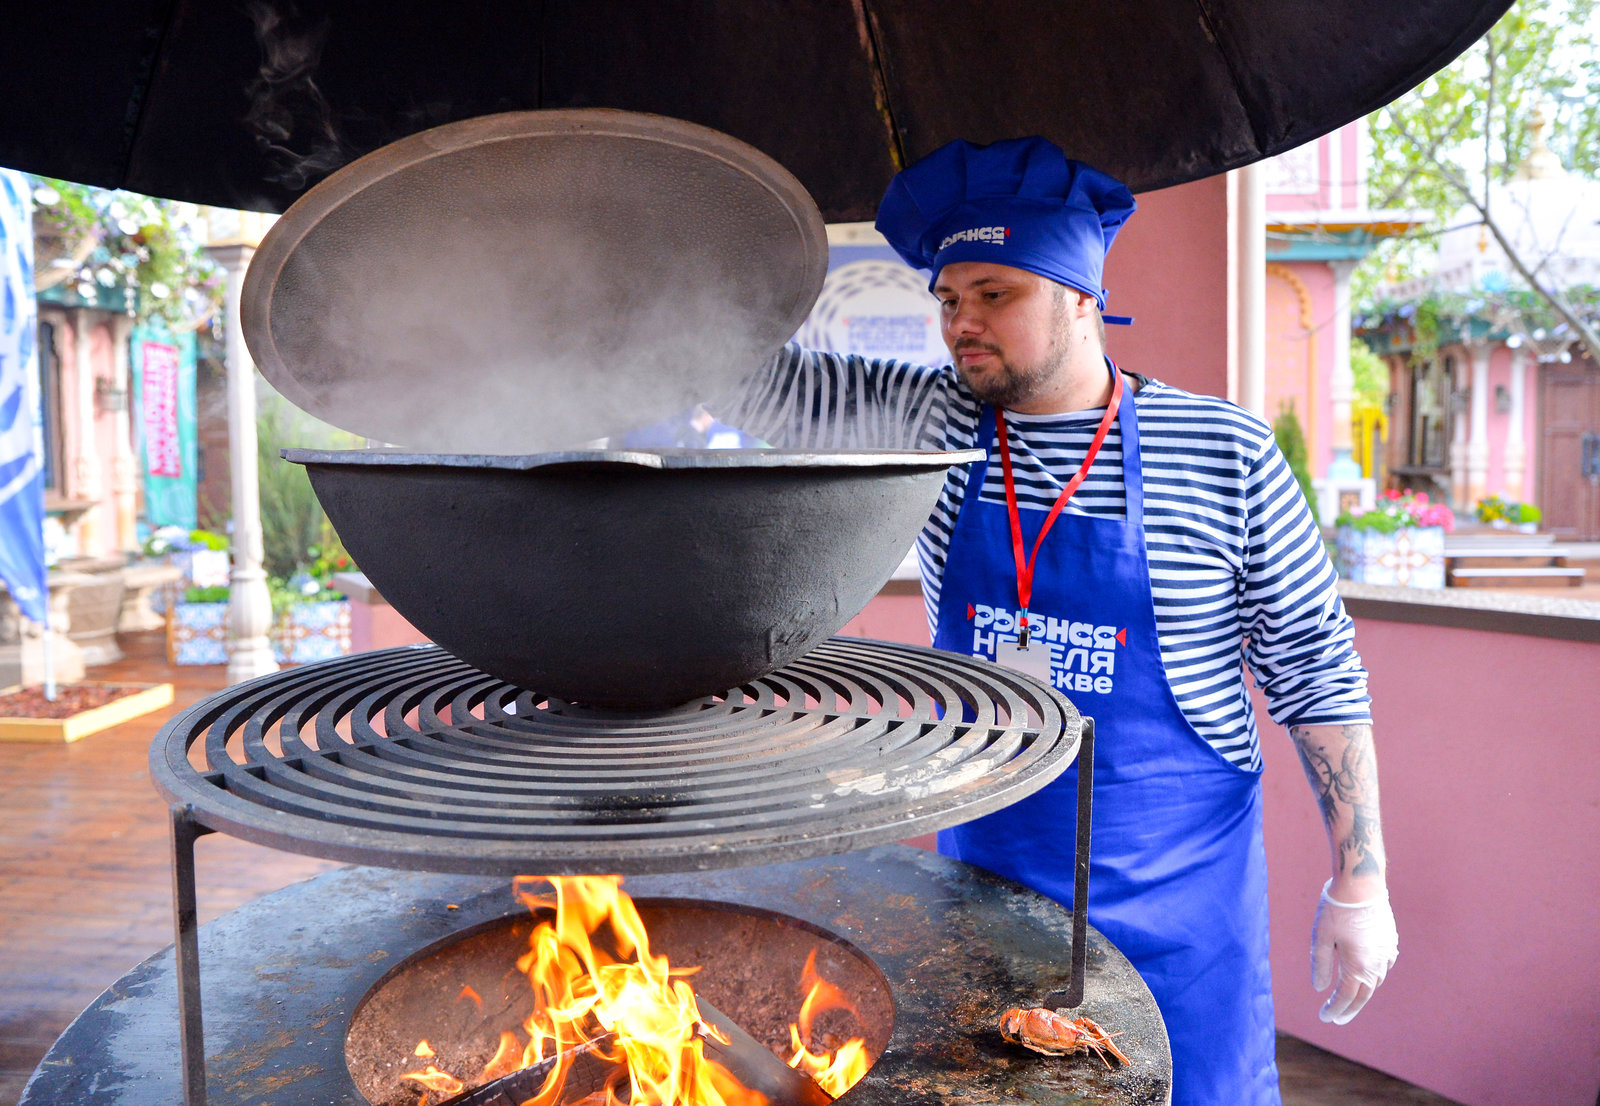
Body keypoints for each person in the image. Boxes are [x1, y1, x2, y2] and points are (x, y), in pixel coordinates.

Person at [717, 137, 1399, 1106]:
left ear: (1081, 297)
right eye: (948, 299)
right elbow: (752, 386)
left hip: (1180, 892)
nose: (961, 323)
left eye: (995, 293)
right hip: (995, 882)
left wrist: (1359, 884)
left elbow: (1316, 670)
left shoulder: (1222, 450)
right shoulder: (934, 423)